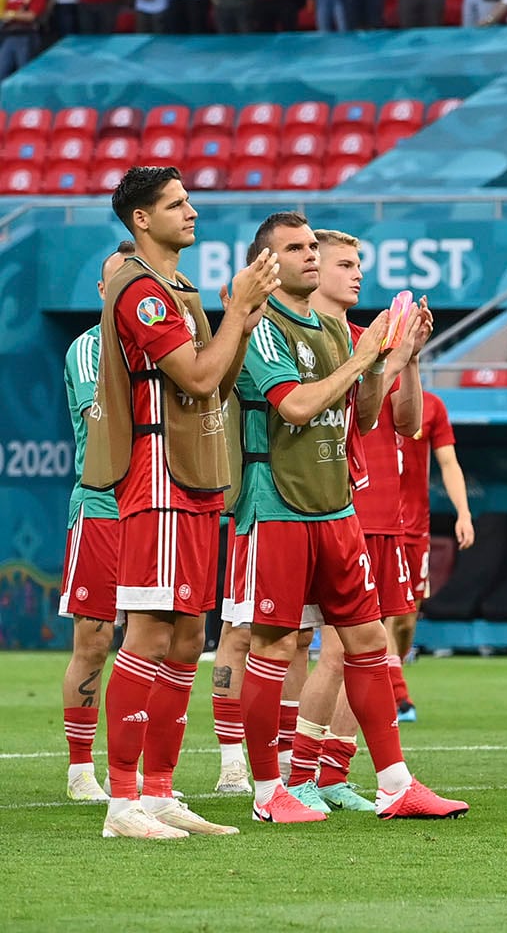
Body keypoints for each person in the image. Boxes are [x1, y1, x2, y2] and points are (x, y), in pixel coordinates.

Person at [225, 212, 465, 826]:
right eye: (296, 248)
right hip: (276, 505)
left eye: (313, 246)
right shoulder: (262, 325)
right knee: (275, 645)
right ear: (267, 264)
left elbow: (363, 417)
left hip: (336, 505)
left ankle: (395, 784)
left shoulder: (332, 329)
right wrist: (362, 359)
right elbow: (296, 406)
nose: (309, 255)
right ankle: (268, 790)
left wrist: (392, 359)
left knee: (367, 641)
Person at [82, 168, 280, 839]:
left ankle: (161, 793)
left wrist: (243, 322)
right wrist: (234, 314)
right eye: (176, 204)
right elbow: (195, 376)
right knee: (148, 633)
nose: (191, 211)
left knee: (191, 636)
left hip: (193, 475)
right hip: (159, 475)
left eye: (189, 200)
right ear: (141, 219)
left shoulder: (177, 288)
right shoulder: (140, 290)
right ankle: (122, 802)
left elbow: (217, 384)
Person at [56, 241, 138, 804]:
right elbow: (104, 418)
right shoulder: (89, 349)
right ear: (102, 291)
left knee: (157, 640)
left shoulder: (160, 347)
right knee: (95, 639)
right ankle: (81, 770)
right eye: (115, 280)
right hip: (104, 506)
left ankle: (134, 770)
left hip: (154, 507)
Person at [392, 387, 470, 721]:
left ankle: (392, 680)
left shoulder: (432, 406)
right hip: (375, 524)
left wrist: (463, 513)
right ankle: (397, 695)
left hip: (415, 528)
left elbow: (448, 462)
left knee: (406, 619)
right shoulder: (366, 394)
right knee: (381, 615)